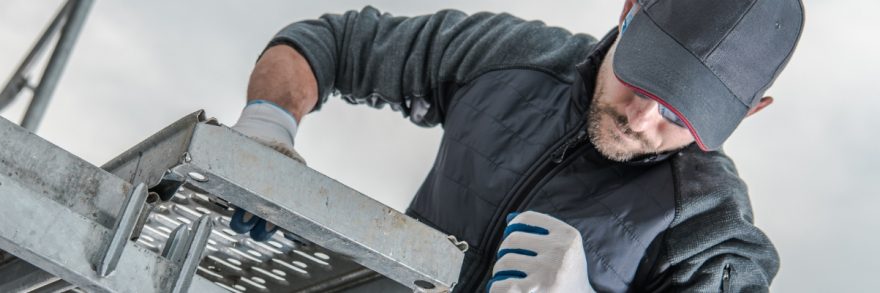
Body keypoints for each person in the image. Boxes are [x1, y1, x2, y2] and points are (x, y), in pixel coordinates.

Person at [227, 0, 804, 291]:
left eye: (680, 114)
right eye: (644, 78)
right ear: (629, 12)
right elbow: (330, 44)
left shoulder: (713, 235)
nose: (640, 118)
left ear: (749, 112)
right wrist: (267, 127)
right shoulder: (511, 59)